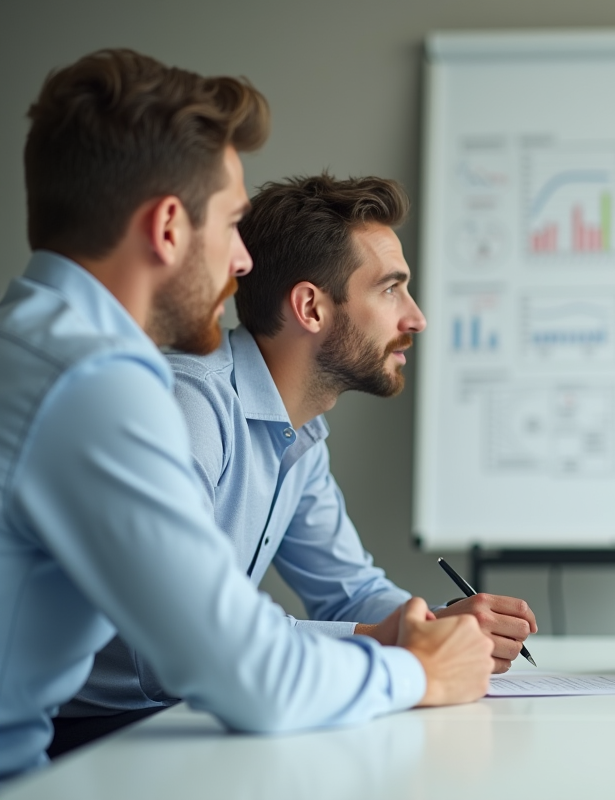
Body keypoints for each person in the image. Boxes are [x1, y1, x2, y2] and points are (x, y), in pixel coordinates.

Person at [0, 49, 493, 780]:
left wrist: (414, 633)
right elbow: (240, 670)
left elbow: (307, 609)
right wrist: (417, 674)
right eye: (232, 224)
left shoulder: (33, 338)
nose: (241, 260)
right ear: (169, 227)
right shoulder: (98, 382)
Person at [58, 174, 537, 739]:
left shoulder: (299, 431)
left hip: (177, 723)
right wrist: (391, 641)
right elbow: (175, 649)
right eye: (390, 289)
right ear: (310, 307)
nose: (415, 318)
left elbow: (350, 590)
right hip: (87, 735)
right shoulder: (185, 409)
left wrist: (431, 626)